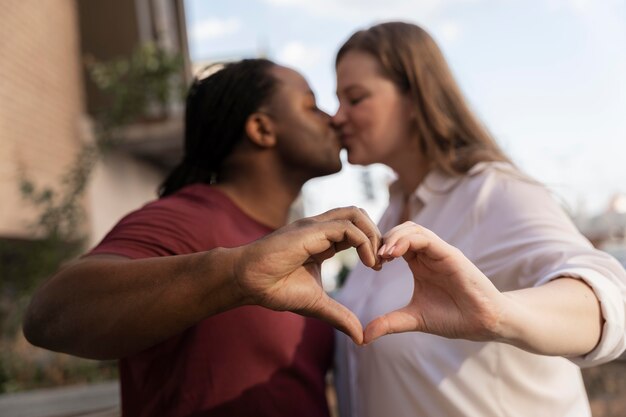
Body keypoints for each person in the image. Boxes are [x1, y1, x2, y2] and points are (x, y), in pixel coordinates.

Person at [23, 58, 382, 417]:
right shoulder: (184, 219)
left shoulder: (285, 239)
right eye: (310, 105)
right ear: (262, 129)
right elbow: (49, 314)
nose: (333, 118)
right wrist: (237, 273)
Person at [331, 21, 626, 417]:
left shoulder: (492, 191)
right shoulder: (388, 214)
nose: (337, 117)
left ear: (415, 98)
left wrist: (500, 313)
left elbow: (607, 296)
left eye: (355, 98)